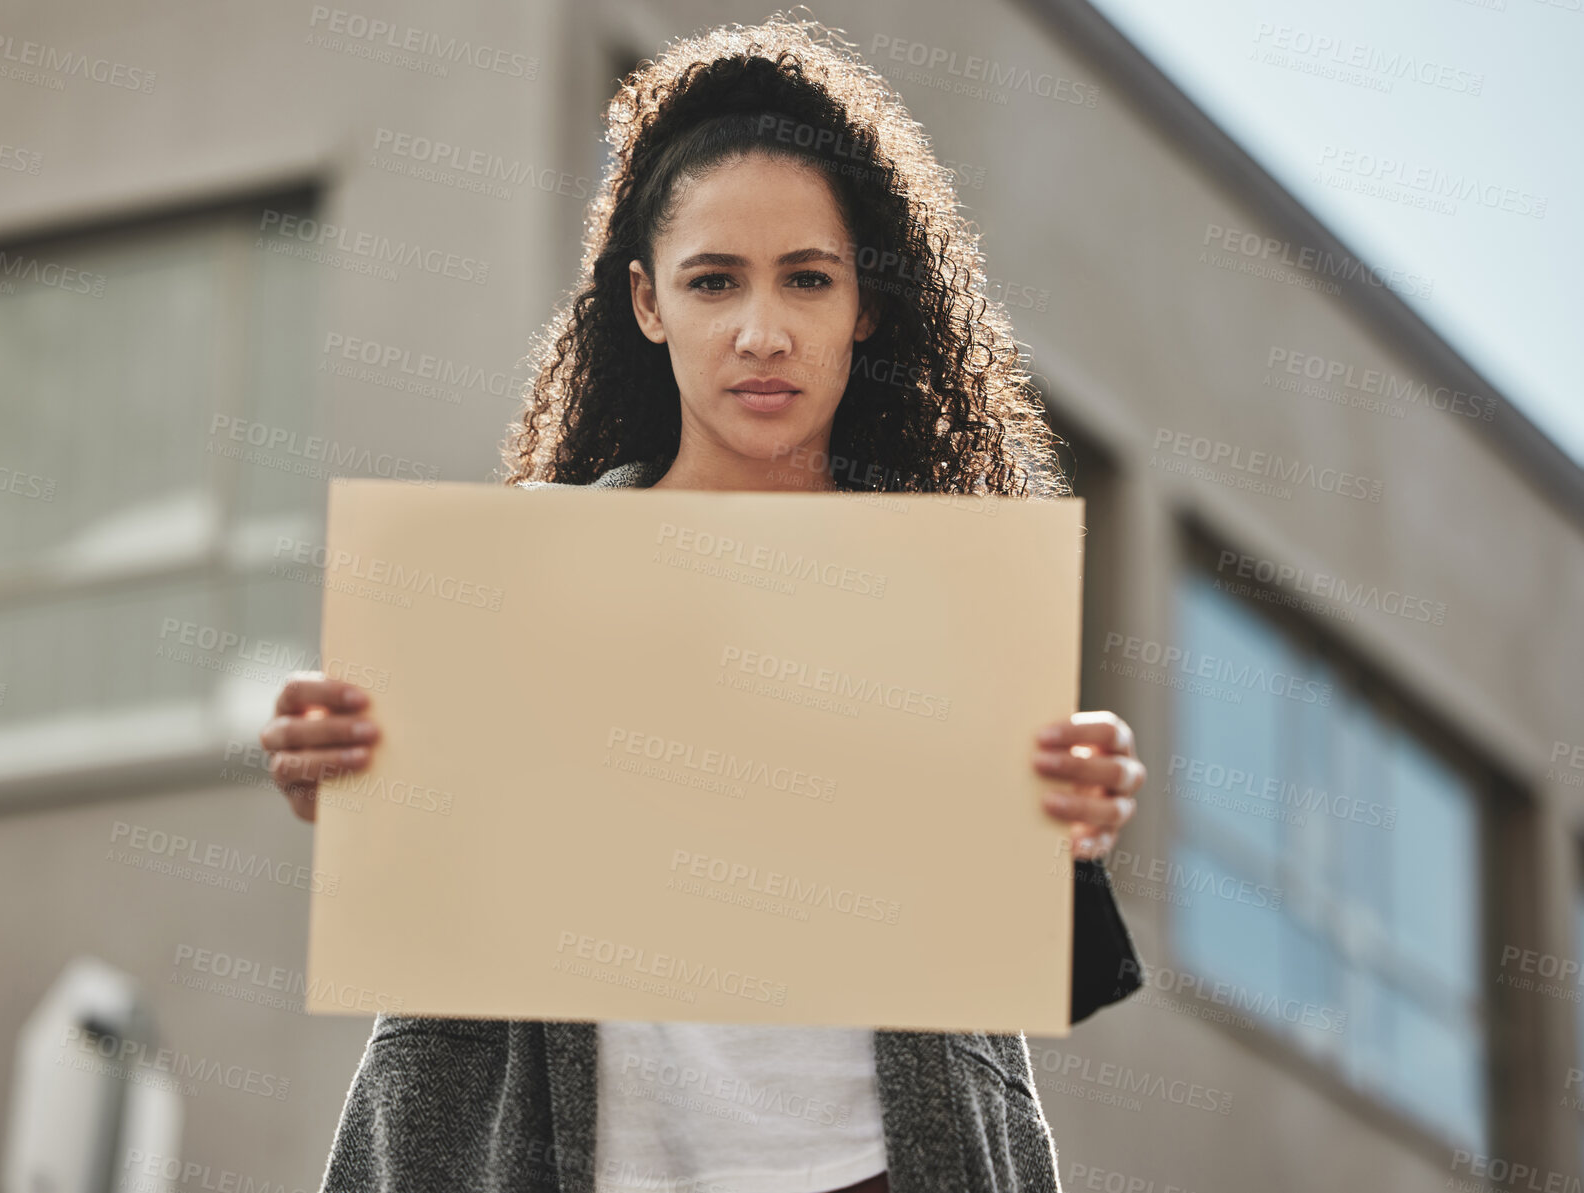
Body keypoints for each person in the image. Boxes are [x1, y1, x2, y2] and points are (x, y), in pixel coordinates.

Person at [260, 14, 1147, 1193]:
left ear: (864, 307)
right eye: (713, 281)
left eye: (808, 280)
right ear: (645, 299)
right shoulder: (504, 583)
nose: (760, 331)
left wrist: (1066, 825)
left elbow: (1045, 964)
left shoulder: (951, 599)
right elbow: (441, 870)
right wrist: (352, 780)